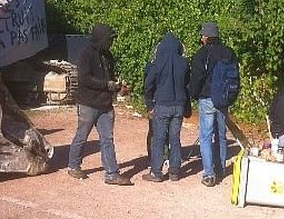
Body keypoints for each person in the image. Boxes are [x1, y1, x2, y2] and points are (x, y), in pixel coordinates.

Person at [66, 24, 132, 186]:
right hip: (88, 103)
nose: (111, 43)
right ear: (100, 39)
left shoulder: (108, 55)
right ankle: (74, 165)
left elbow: (110, 77)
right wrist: (107, 85)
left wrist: (119, 86)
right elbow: (84, 78)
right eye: (109, 39)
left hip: (105, 105)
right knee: (82, 136)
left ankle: (112, 173)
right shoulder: (86, 54)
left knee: (107, 139)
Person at [189, 21, 238, 187]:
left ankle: (209, 174)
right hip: (224, 99)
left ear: (205, 37)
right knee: (221, 136)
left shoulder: (202, 54)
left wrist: (193, 94)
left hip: (207, 98)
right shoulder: (229, 52)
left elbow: (197, 78)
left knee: (206, 136)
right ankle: (221, 169)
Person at [142, 32, 190, 182]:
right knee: (175, 138)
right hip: (178, 106)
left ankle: (156, 172)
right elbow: (186, 84)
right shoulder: (184, 63)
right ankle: (174, 171)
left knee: (159, 138)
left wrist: (150, 104)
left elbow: (148, 84)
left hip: (162, 104)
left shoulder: (158, 62)